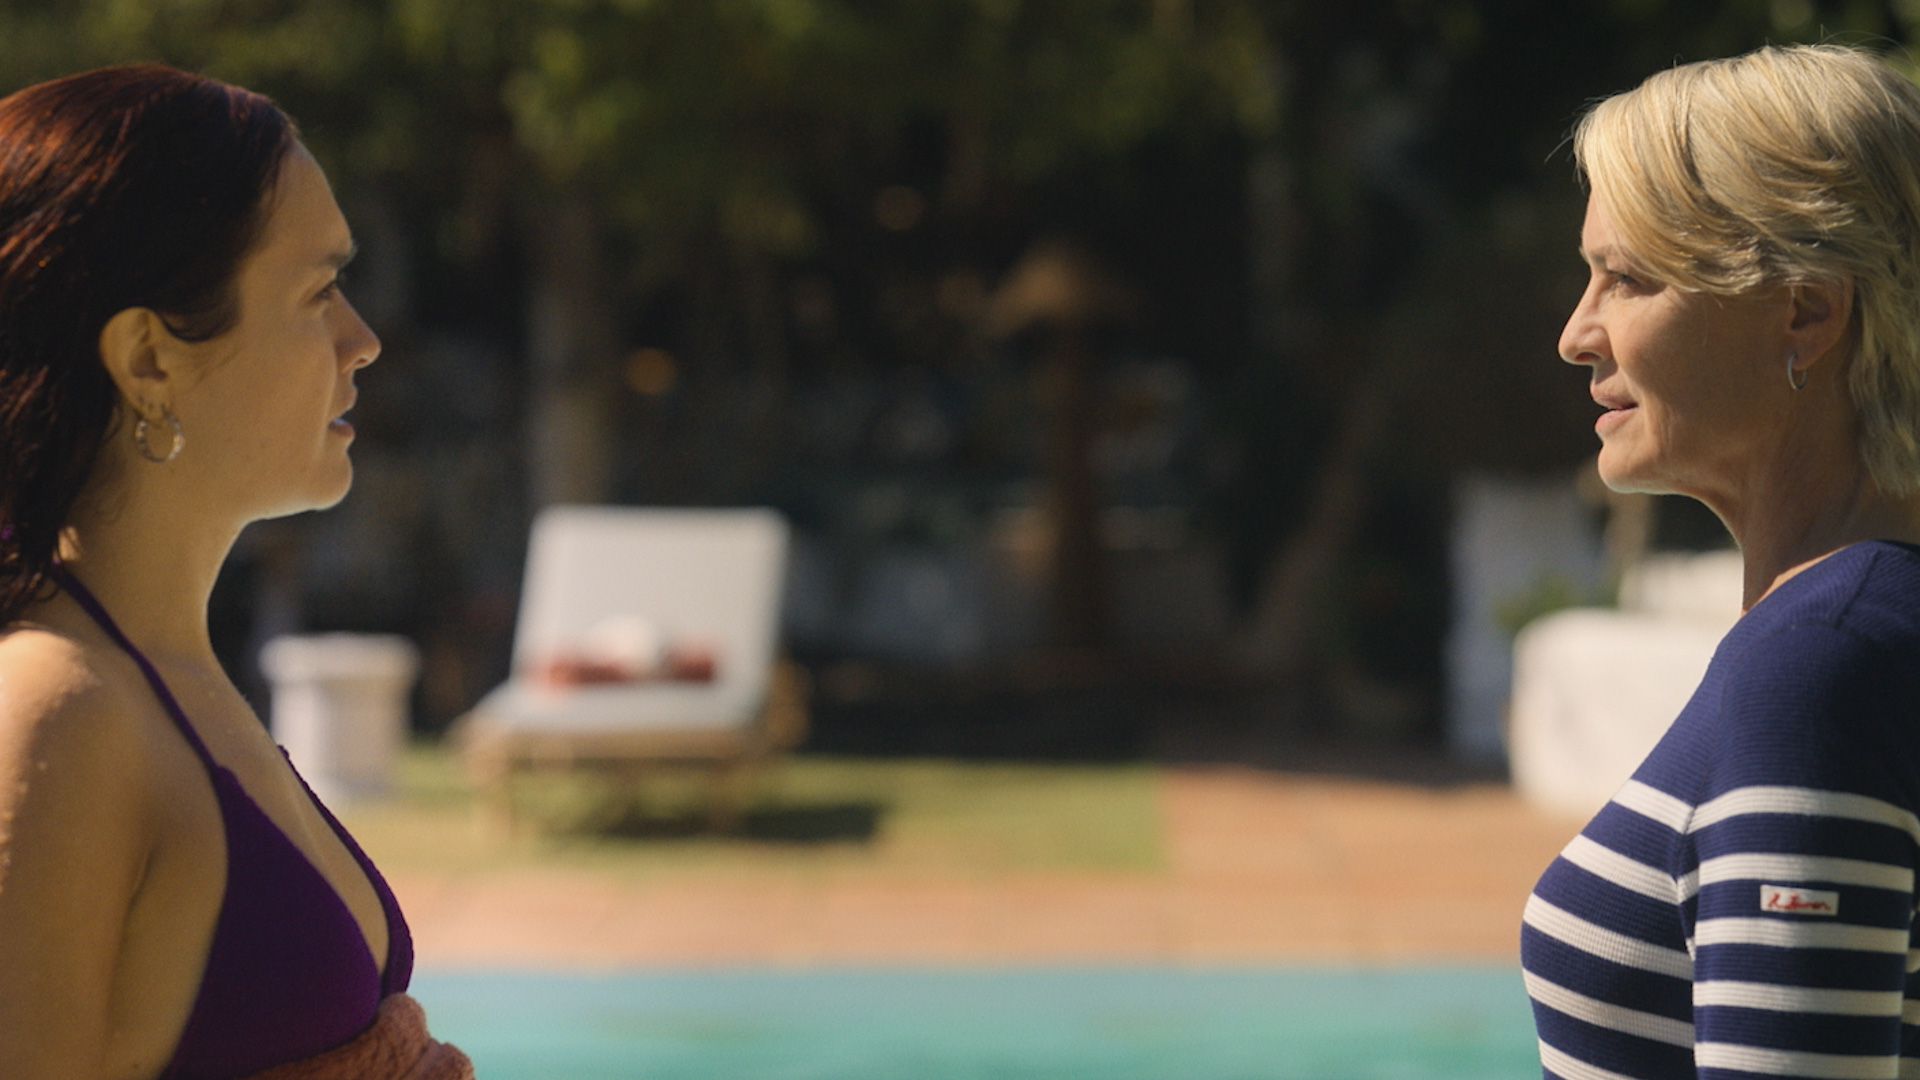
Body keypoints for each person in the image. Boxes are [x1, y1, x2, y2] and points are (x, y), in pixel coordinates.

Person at [0, 67, 469, 1079]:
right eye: (318, 292)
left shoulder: (160, 675)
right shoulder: (58, 711)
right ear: (149, 360)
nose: (362, 340)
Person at [1524, 44, 1920, 1080]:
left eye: (1627, 278)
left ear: (1807, 310)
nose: (1577, 334)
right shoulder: (1863, 629)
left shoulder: (1820, 666)